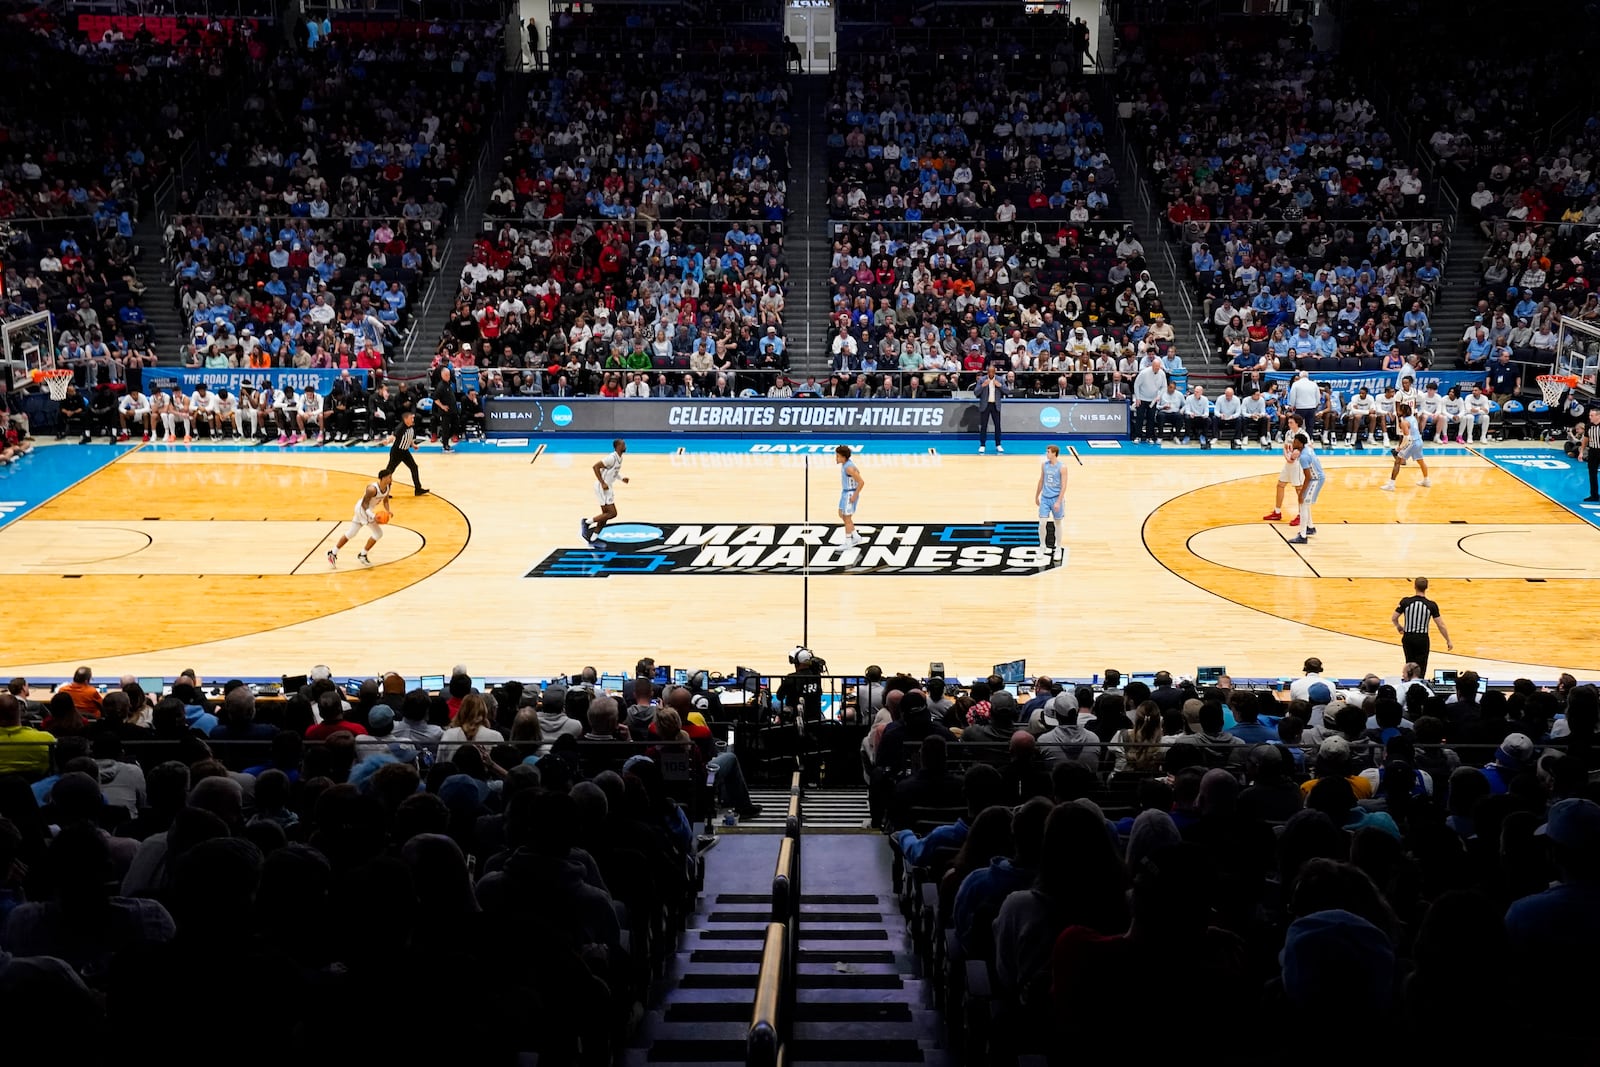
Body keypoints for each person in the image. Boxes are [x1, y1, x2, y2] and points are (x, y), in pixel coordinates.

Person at [328, 472, 393, 568]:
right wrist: (373, 515)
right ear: (383, 478)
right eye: (389, 477)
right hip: (362, 509)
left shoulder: (388, 487)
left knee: (351, 533)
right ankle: (362, 555)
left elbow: (386, 501)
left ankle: (332, 553)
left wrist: (388, 511)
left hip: (366, 510)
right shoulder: (372, 489)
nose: (391, 479)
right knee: (378, 533)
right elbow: (364, 504)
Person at [1393, 576, 1453, 672]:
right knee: (1421, 666)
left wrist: (1399, 626)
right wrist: (1448, 640)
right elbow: (1440, 625)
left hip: (1408, 637)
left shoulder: (1405, 601)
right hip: (1422, 638)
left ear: (1414, 586)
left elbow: (1394, 618)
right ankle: (1419, 683)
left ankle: (1409, 684)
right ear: (1426, 587)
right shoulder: (1431, 605)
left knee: (1409, 664)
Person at [582, 439, 629, 544]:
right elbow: (595, 467)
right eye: (623, 444)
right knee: (612, 513)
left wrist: (622, 479)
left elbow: (614, 473)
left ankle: (593, 538)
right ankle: (586, 522)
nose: (625, 446)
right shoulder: (611, 458)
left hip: (608, 487)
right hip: (601, 487)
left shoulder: (620, 458)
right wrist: (602, 482)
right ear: (617, 446)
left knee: (606, 515)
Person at [1262, 414, 1305, 524]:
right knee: (1280, 485)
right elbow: (1285, 448)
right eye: (1289, 422)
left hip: (1298, 464)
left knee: (1299, 489)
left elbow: (1308, 448)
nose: (1289, 424)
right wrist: (1287, 457)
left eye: (1291, 422)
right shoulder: (1288, 433)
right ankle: (1277, 512)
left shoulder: (1303, 434)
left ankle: (1301, 515)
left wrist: (1297, 455)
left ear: (1297, 423)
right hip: (1289, 463)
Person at [1380, 402, 1431, 491]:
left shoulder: (1404, 422)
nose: (1397, 411)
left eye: (1399, 410)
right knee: (1421, 461)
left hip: (1412, 443)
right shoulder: (1413, 418)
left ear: (1402, 412)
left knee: (1397, 461)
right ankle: (1426, 480)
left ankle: (1391, 485)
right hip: (1419, 441)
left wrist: (1399, 447)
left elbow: (1407, 437)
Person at [379, 410, 429, 496]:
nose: (413, 419)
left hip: (405, 451)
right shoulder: (401, 427)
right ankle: (383, 491)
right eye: (411, 418)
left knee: (414, 467)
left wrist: (413, 445)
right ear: (406, 419)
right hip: (397, 452)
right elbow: (393, 436)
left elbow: (410, 437)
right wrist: (387, 441)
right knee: (389, 472)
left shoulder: (411, 425)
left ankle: (418, 489)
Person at [1288, 432, 1324, 545]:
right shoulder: (1307, 449)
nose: (1293, 442)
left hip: (1315, 480)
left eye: (1295, 441)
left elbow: (1308, 477)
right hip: (1318, 477)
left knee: (1303, 504)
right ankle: (1310, 527)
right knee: (1306, 504)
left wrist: (1301, 493)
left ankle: (1302, 536)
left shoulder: (1304, 457)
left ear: (1299, 443)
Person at [1035, 444, 1065, 560]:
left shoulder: (1062, 467)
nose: (1046, 454)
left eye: (1048, 452)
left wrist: (1058, 501)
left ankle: (1058, 548)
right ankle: (1042, 546)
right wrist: (1036, 496)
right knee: (1042, 523)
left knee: (1057, 523)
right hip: (1045, 499)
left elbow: (1064, 486)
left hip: (1056, 498)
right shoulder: (1044, 465)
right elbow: (1041, 480)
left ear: (1054, 453)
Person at [836, 444, 865, 547]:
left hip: (850, 493)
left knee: (847, 518)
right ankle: (856, 536)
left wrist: (854, 495)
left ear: (843, 457)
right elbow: (858, 472)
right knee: (842, 514)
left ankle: (848, 542)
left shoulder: (849, 468)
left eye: (838, 456)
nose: (836, 458)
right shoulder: (846, 465)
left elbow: (861, 482)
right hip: (845, 492)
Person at [975, 364, 1008, 453]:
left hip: (995, 405)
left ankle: (998, 444)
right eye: (989, 371)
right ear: (987, 372)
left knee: (997, 426)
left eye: (992, 371)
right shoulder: (982, 380)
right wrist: (982, 386)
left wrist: (1000, 385)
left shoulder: (1000, 379)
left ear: (995, 372)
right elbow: (976, 392)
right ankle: (982, 445)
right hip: (985, 406)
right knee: (983, 426)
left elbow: (1007, 391)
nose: (991, 373)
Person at [432, 367, 458, 453]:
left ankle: (447, 444)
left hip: (452, 411)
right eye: (446, 375)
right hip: (445, 413)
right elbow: (435, 398)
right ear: (442, 375)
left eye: (449, 374)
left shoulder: (448, 383)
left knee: (450, 427)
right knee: (445, 429)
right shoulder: (441, 386)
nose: (448, 376)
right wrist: (442, 406)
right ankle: (445, 446)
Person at [1581, 406, 1600, 503]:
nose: (1590, 417)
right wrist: (1581, 452)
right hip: (1592, 451)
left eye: (1592, 415)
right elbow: (1585, 439)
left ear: (1598, 416)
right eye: (1589, 415)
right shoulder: (1588, 426)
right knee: (1592, 474)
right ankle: (1594, 495)